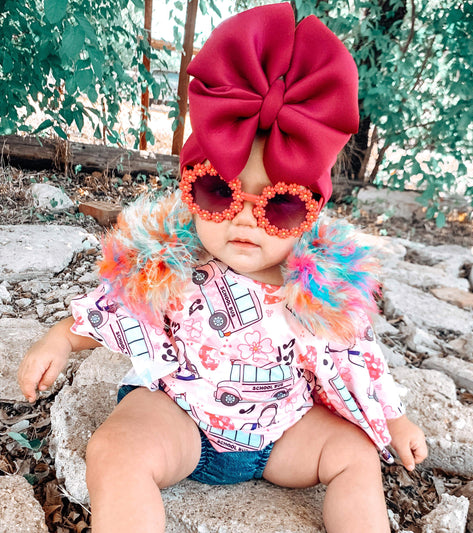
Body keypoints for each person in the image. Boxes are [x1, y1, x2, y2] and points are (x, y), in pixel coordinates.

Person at [18, 4, 427, 533]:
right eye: (218, 192)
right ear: (191, 191)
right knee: (115, 448)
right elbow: (116, 307)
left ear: (310, 217)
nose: (245, 218)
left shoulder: (320, 289)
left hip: (284, 432)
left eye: (280, 205)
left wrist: (393, 418)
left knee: (355, 454)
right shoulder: (175, 263)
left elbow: (360, 358)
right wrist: (58, 338)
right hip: (182, 417)